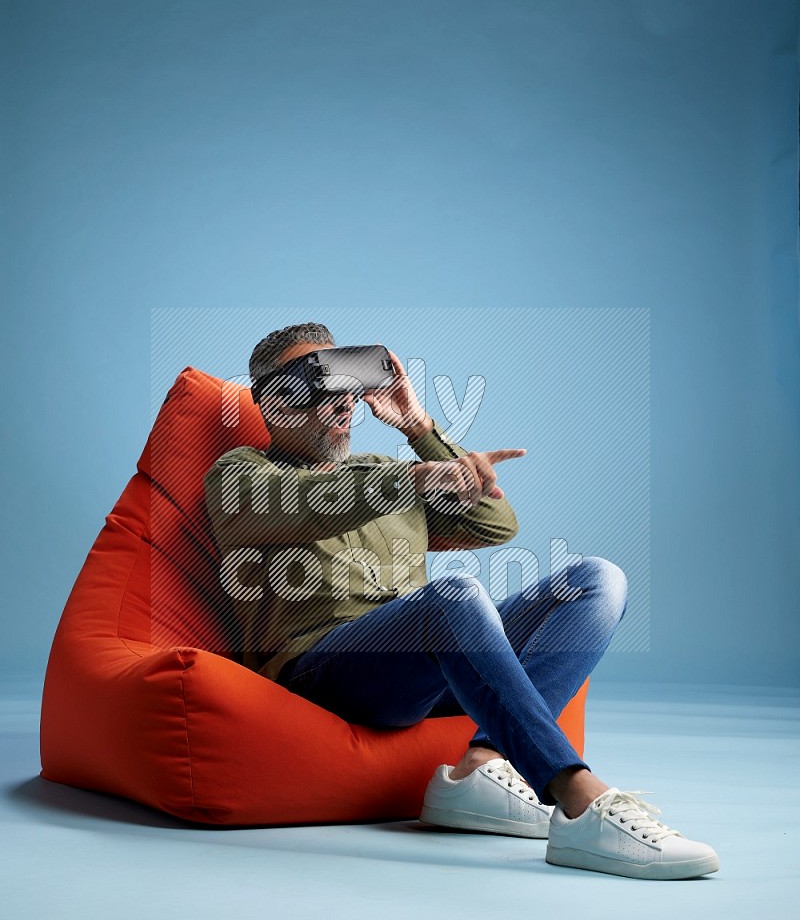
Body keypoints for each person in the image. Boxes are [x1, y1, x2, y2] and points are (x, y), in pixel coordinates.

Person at [204, 321, 719, 880]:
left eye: (345, 382)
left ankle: (481, 765)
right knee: (454, 595)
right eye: (317, 383)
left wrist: (419, 429)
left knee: (597, 579)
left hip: (423, 669)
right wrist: (413, 483)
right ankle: (577, 798)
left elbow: (495, 522)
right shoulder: (239, 473)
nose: (341, 401)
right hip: (323, 674)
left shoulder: (385, 471)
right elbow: (300, 502)